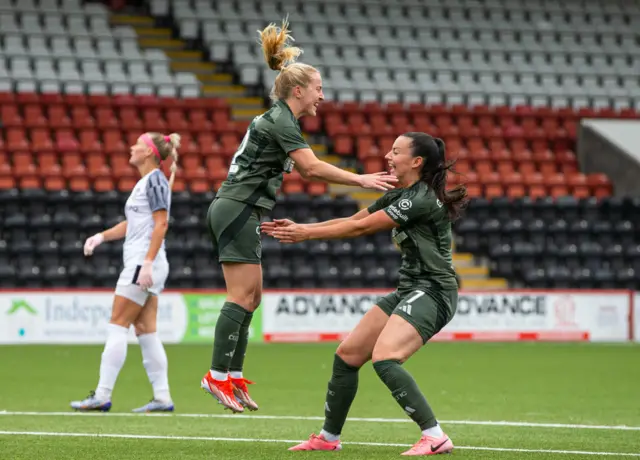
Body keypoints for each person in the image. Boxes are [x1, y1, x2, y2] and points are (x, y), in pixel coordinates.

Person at [200, 17, 398, 414]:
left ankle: (233, 375)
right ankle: (216, 376)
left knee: (252, 298)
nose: (322, 96)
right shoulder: (280, 121)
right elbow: (310, 168)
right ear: (298, 90)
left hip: (244, 207)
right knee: (240, 296)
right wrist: (360, 179)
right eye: (318, 88)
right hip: (237, 207)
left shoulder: (281, 120)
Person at [263, 132, 468, 456]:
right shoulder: (403, 194)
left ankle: (435, 436)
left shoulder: (418, 199)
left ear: (416, 162)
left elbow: (360, 229)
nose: (388, 155)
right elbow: (354, 219)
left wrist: (305, 234)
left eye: (396, 151)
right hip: (410, 289)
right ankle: (329, 438)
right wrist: (303, 227)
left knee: (386, 358)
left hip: (434, 291)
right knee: (349, 355)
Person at [70, 132, 180, 413]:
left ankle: (102, 394)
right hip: (149, 263)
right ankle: (162, 397)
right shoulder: (147, 182)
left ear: (148, 152)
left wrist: (146, 263)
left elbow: (161, 224)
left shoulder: (154, 180)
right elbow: (133, 224)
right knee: (146, 331)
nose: (132, 147)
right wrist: (101, 237)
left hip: (142, 264)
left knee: (117, 324)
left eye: (138, 144)